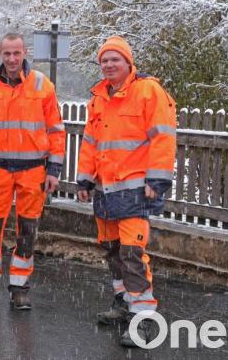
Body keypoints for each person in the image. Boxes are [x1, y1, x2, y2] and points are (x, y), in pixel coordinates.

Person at [76, 35, 177, 347]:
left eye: (114, 59)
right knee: (112, 251)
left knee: (132, 254)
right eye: (104, 60)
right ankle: (123, 303)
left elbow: (163, 137)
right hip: (106, 191)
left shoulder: (149, 91)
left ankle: (143, 319)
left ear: (128, 62)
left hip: (135, 190)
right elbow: (91, 142)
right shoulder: (98, 98)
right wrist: (84, 179)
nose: (108, 65)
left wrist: (157, 180)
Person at [0, 33, 66, 310]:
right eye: (7, 54)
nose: (12, 59)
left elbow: (56, 131)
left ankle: (20, 287)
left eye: (16, 53)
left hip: (33, 170)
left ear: (25, 53)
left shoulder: (42, 85)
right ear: (0, 54)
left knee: (28, 229)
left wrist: (54, 170)